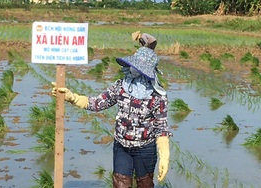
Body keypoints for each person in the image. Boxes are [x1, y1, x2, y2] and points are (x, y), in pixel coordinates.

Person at [52, 47, 172, 188]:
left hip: (145, 148)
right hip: (122, 146)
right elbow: (97, 103)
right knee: (120, 183)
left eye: (139, 68)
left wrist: (164, 156)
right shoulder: (121, 87)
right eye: (134, 66)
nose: (133, 70)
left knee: (145, 184)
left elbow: (161, 127)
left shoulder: (158, 96)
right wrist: (71, 97)